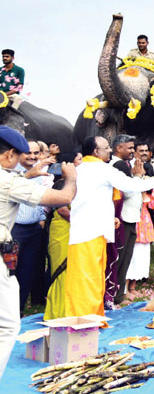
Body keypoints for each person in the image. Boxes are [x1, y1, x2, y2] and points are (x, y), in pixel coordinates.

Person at [0, 126, 77, 380]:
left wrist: (29, 175)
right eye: (20, 157)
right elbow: (63, 196)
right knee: (9, 326)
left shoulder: (11, 179)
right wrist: (71, 176)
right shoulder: (7, 180)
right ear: (10, 155)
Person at [65, 136, 154, 317]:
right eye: (106, 148)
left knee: (86, 276)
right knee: (90, 276)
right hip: (92, 232)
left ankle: (87, 315)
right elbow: (129, 185)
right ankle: (87, 318)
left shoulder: (81, 169)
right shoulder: (102, 169)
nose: (109, 151)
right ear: (95, 152)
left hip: (85, 231)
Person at [12, 141, 53, 310]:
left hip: (35, 229)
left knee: (27, 272)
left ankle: (18, 312)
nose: (33, 156)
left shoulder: (42, 173)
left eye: (36, 153)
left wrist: (42, 218)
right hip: (15, 230)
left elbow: (43, 199)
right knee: (9, 274)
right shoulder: (12, 173)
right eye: (28, 152)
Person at [44, 150, 79, 320]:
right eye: (79, 160)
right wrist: (83, 224)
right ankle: (56, 312)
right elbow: (64, 210)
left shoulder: (77, 185)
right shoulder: (60, 185)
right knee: (60, 271)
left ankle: (69, 309)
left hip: (73, 232)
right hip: (61, 232)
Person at [107, 134, 141, 307]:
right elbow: (125, 191)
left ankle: (119, 293)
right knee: (118, 258)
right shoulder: (117, 165)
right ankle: (113, 295)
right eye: (129, 148)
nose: (132, 151)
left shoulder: (126, 164)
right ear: (119, 148)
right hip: (122, 218)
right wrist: (138, 177)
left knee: (125, 258)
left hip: (131, 217)